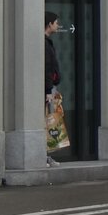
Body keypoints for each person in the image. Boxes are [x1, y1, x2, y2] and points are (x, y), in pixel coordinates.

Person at [45, 11, 62, 166]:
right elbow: (47, 67)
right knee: (49, 122)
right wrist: (48, 90)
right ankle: (45, 156)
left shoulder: (47, 42)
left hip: (51, 88)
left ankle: (47, 156)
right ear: (49, 24)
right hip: (48, 90)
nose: (57, 25)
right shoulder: (44, 43)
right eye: (56, 22)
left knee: (52, 122)